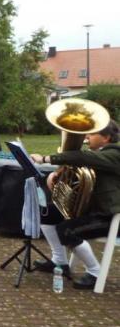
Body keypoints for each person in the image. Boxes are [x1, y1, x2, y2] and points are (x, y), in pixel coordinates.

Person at [30, 119, 120, 290]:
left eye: (92, 133)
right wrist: (58, 179)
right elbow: (81, 178)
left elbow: (81, 157)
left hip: (110, 216)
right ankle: (60, 262)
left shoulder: (114, 155)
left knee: (67, 230)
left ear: (106, 138)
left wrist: (45, 159)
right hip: (95, 211)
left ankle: (95, 272)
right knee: (48, 213)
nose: (87, 136)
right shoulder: (98, 156)